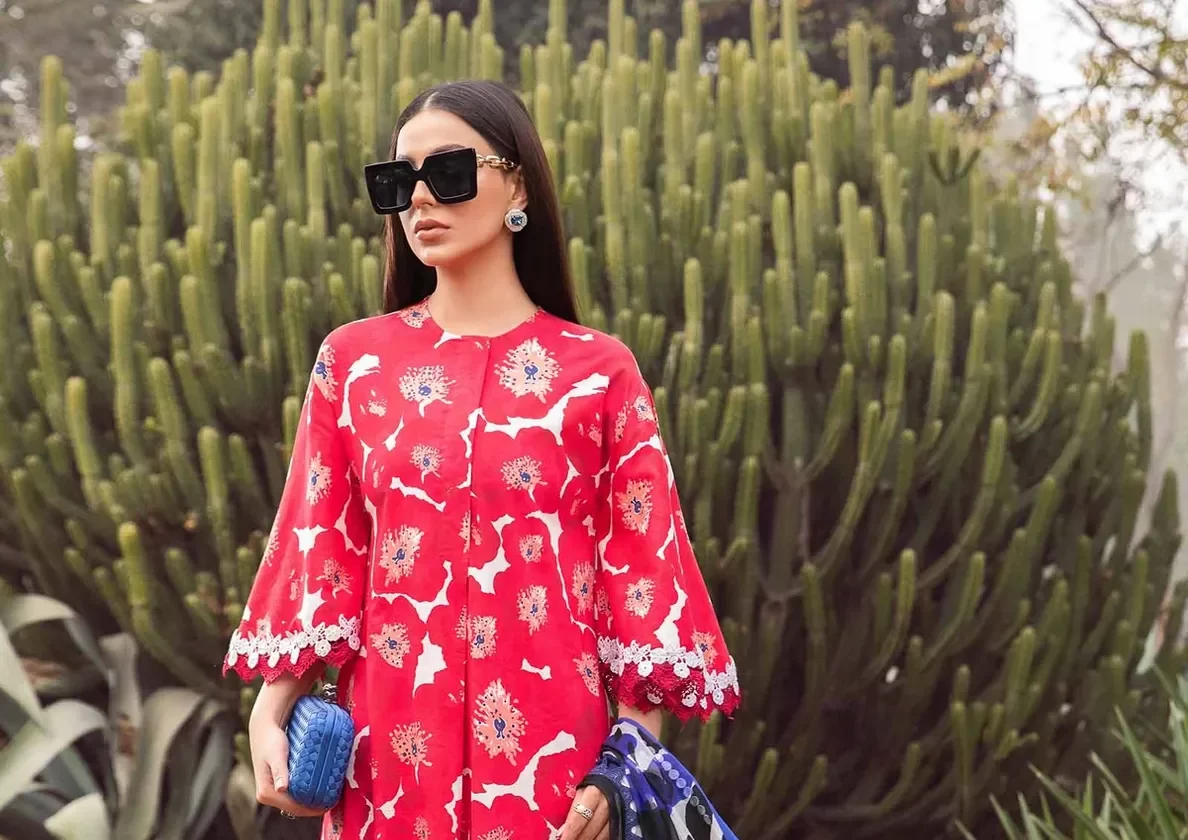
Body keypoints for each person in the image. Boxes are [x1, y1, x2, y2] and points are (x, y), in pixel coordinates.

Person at [223, 79, 740, 840]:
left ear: (517, 185)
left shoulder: (599, 373)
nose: (419, 199)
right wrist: (270, 712)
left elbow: (643, 576)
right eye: (397, 181)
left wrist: (628, 758)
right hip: (386, 768)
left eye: (449, 172)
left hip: (557, 771)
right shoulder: (354, 364)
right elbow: (320, 550)